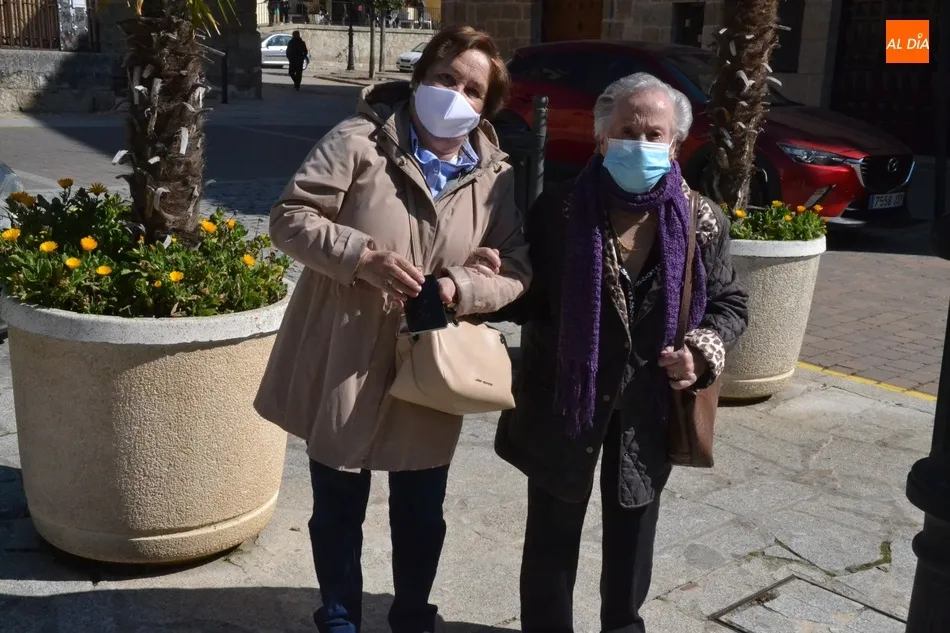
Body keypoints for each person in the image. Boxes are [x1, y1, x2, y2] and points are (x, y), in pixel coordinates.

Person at [254, 26, 531, 633]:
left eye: (473, 89)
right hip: (345, 353)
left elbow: (515, 269)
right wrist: (362, 258)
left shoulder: (495, 177)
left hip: (430, 362)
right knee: (336, 505)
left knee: (421, 511)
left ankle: (412, 616)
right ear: (420, 76)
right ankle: (339, 616)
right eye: (445, 77)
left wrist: (462, 285)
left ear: (487, 106)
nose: (455, 94)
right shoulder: (358, 141)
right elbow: (290, 217)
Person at [491, 72, 749, 633]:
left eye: (655, 134)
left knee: (632, 542)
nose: (641, 143)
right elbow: (530, 299)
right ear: (602, 137)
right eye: (628, 131)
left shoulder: (701, 219)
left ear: (675, 144)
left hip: (647, 408)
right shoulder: (560, 210)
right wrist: (491, 281)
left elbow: (730, 303)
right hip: (566, 399)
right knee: (551, 541)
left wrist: (701, 352)